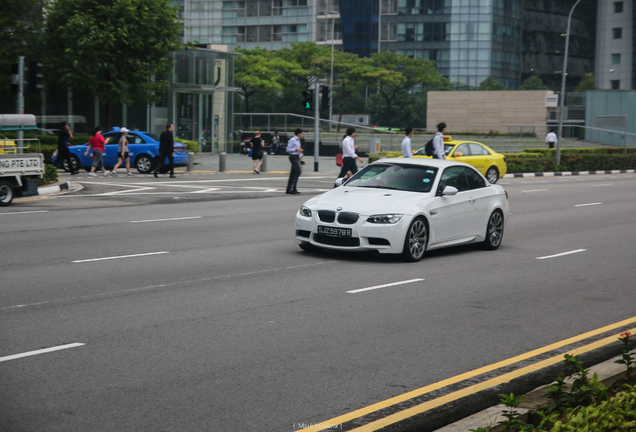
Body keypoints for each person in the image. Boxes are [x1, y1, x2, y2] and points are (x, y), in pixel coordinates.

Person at [286, 128, 303, 195]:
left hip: (296, 157)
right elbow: (288, 149)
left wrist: (300, 159)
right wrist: (296, 149)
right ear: (299, 133)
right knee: (298, 171)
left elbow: (298, 151)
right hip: (292, 157)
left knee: (293, 173)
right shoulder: (293, 140)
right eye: (301, 133)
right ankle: (294, 188)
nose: (302, 135)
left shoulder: (298, 140)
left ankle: (289, 189)